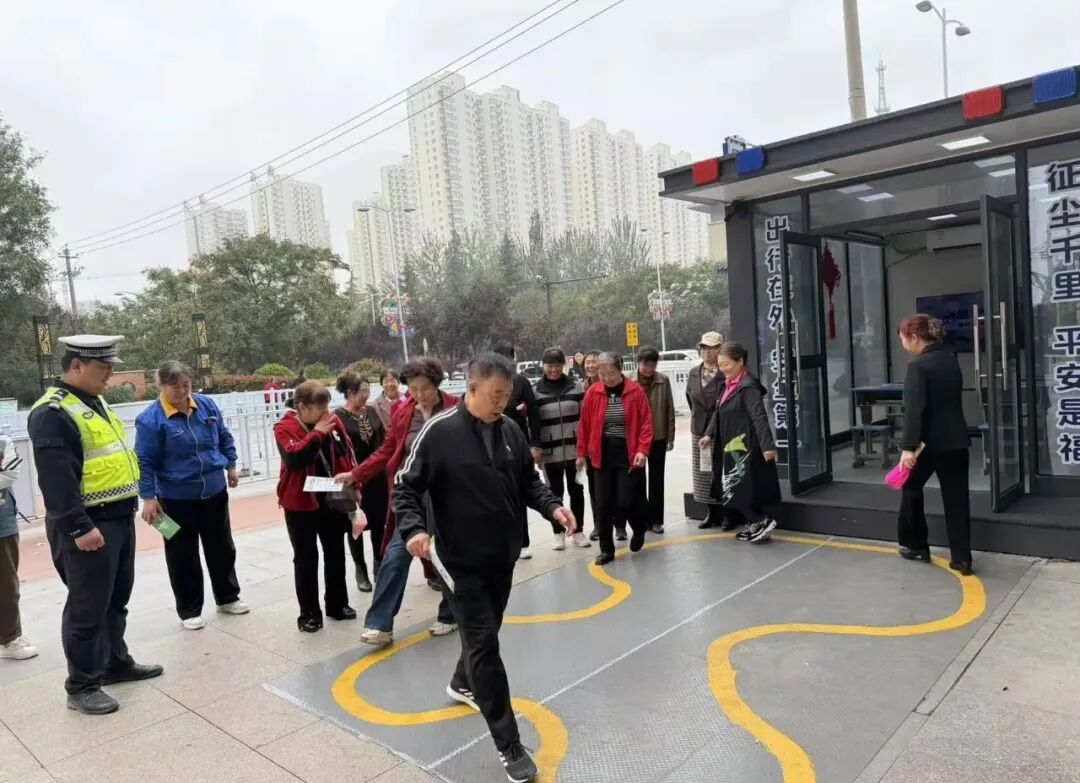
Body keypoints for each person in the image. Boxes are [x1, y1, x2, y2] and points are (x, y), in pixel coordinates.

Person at [395, 352, 576, 783]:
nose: (502, 402)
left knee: (486, 633)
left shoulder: (510, 429)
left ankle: (462, 681)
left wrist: (553, 507)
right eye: (495, 395)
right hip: (459, 561)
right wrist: (414, 530)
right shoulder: (439, 432)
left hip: (502, 555)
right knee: (484, 645)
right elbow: (405, 487)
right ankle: (508, 743)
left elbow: (529, 482)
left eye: (507, 395)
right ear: (472, 389)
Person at [28, 335, 163, 715]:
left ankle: (114, 663)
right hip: (89, 524)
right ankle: (82, 685)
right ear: (76, 366)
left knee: (116, 599)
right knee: (87, 607)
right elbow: (57, 481)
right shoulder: (53, 412)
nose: (110, 375)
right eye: (103, 368)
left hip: (117, 517)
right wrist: (78, 528)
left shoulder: (94, 401)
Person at [336, 357, 457, 646]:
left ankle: (451, 613)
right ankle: (379, 625)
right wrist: (356, 474)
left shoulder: (455, 407)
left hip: (448, 495)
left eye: (424, 388)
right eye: (412, 388)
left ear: (437, 385)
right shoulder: (403, 410)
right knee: (395, 555)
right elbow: (388, 449)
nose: (418, 394)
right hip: (411, 494)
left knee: (447, 554)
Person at [135, 361, 249, 631]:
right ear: (160, 385)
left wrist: (231, 465)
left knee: (222, 547)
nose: (182, 391)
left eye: (186, 385)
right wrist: (148, 497)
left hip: (214, 491)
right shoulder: (151, 419)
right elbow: (144, 461)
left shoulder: (206, 406)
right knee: (181, 554)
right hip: (175, 498)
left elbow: (223, 437)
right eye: (175, 387)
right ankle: (189, 609)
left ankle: (227, 597)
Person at [273, 381, 358, 633]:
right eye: (319, 408)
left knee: (335, 552)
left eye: (327, 407)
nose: (325, 413)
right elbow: (294, 458)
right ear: (302, 407)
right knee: (305, 558)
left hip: (332, 497)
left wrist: (355, 485)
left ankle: (337, 604)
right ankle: (309, 613)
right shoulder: (284, 427)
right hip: (300, 502)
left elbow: (347, 454)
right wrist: (318, 433)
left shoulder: (333, 422)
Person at [895, 314, 973, 575]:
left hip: (929, 444)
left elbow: (915, 411)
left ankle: (916, 544)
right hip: (957, 440)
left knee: (910, 486)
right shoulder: (950, 360)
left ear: (914, 337)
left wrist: (908, 448)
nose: (903, 344)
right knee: (957, 499)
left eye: (903, 338)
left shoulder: (917, 367)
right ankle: (962, 558)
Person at [698, 342, 781, 544]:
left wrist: (767, 446)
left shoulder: (748, 387)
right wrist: (709, 434)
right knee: (737, 488)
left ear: (740, 361)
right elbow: (718, 412)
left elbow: (759, 417)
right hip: (731, 446)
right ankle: (755, 526)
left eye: (726, 364)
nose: (722, 369)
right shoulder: (728, 384)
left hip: (745, 447)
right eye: (720, 365)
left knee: (738, 488)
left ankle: (762, 521)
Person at [577, 351, 653, 566]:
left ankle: (638, 529)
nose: (606, 378)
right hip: (602, 454)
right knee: (602, 504)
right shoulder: (593, 393)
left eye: (610, 373)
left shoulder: (635, 391)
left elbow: (646, 423)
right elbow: (585, 425)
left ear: (620, 370)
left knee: (625, 501)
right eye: (601, 373)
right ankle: (606, 549)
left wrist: (643, 450)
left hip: (628, 453)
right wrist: (581, 453)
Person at [334, 372, 387, 592]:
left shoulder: (371, 411)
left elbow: (383, 441)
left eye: (368, 390)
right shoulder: (337, 417)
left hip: (376, 476)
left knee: (379, 522)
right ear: (349, 393)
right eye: (362, 391)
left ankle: (379, 564)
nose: (366, 395)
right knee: (355, 524)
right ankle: (360, 569)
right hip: (353, 477)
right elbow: (338, 451)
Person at [533, 347, 590, 551]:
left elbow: (585, 419)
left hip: (575, 450)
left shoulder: (576, 386)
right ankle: (558, 533)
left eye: (558, 365)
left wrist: (584, 449)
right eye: (550, 365)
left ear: (563, 365)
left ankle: (578, 531)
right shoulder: (535, 391)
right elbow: (533, 423)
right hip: (550, 452)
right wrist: (536, 447)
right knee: (554, 493)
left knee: (577, 491)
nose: (554, 369)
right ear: (544, 366)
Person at [491, 340, 542, 560]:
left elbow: (534, 412)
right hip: (492, 443)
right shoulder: (487, 382)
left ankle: (523, 541)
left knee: (519, 490)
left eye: (509, 357)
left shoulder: (521, 382)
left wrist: (535, 444)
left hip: (516, 441)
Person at [687, 331, 735, 530]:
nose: (707, 352)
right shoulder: (693, 372)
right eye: (704, 348)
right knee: (704, 473)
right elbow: (690, 399)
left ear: (721, 350)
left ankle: (728, 514)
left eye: (713, 348)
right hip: (700, 430)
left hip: (722, 429)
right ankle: (712, 513)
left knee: (724, 472)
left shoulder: (727, 373)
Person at [0, 434, 37, 661]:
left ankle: (9, 638)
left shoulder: (3, 441)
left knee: (6, 585)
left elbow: (9, 473)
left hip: (1, 526)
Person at [633, 346, 676, 535]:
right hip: (636, 440)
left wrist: (670, 437)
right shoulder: (629, 381)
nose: (648, 369)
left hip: (658, 436)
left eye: (652, 365)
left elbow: (669, 409)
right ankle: (643, 519)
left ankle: (656, 520)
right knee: (638, 480)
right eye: (645, 364)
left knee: (657, 479)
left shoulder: (663, 380)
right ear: (638, 363)